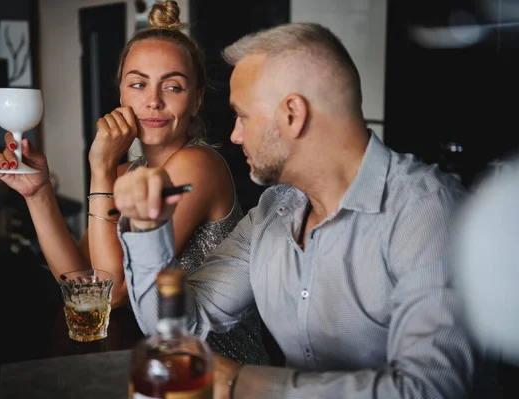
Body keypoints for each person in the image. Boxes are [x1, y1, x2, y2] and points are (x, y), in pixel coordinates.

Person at [111, 22, 478, 398]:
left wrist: (243, 383)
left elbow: (433, 388)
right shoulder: (273, 211)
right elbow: (175, 327)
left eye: (243, 116)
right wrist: (146, 230)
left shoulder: (428, 211)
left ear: (292, 115)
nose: (235, 136)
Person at [0, 0, 269, 366]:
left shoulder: (199, 165)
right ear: (121, 94)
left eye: (173, 87)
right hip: (151, 358)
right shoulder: (124, 175)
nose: (152, 101)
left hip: (214, 369)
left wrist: (101, 168)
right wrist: (39, 193)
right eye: (138, 84)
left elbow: (115, 293)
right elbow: (84, 284)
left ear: (197, 100)